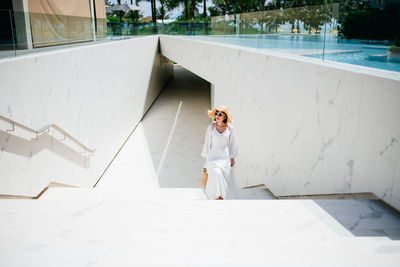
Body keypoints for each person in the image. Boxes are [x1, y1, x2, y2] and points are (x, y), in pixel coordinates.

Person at [201, 105, 238, 200]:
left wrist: (232, 157)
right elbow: (207, 143)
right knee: (216, 173)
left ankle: (222, 196)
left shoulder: (230, 128)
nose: (217, 115)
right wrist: (206, 159)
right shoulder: (210, 127)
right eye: (216, 113)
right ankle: (217, 196)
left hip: (225, 158)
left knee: (221, 175)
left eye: (220, 114)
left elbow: (232, 144)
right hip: (213, 157)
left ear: (225, 116)